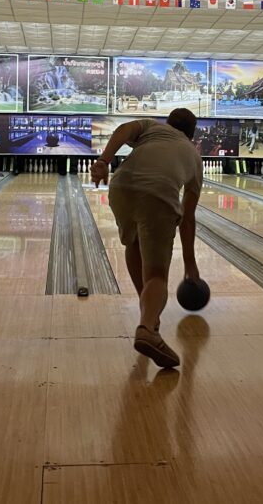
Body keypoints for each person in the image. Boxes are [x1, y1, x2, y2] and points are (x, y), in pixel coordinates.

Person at [90, 109, 203, 368]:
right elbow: (187, 218)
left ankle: (149, 314)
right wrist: (190, 264)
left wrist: (104, 160)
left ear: (168, 123)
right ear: (193, 133)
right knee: (157, 276)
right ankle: (148, 327)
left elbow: (124, 130)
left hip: (121, 187)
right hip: (159, 194)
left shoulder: (152, 127)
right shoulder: (195, 158)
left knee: (133, 243)